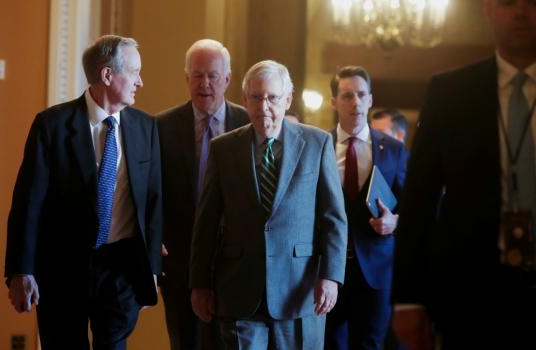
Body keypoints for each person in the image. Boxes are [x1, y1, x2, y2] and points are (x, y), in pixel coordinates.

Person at [392, 1, 536, 349]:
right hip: (471, 290)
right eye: (507, 2)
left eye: (530, 2)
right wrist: (409, 299)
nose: (520, 12)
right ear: (488, 8)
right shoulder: (450, 92)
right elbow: (418, 201)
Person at [4, 35, 163, 350]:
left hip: (121, 270)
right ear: (107, 75)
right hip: (63, 269)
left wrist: (152, 271)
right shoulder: (52, 125)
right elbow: (27, 203)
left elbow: (154, 203)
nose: (140, 82)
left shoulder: (146, 128)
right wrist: (21, 269)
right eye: (134, 72)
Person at [189, 60, 348, 349]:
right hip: (239, 290)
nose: (264, 107)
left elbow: (333, 218)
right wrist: (199, 283)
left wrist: (331, 276)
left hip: (299, 291)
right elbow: (206, 222)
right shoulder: (223, 149)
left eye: (273, 98)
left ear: (287, 100)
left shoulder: (317, 144)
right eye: (256, 97)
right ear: (244, 100)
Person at [156, 39, 249, 350]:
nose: (204, 84)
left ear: (227, 79)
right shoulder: (161, 127)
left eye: (212, 75)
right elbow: (151, 194)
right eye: (197, 75)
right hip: (180, 264)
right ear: (186, 79)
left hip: (236, 264)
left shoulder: (249, 124)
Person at [324, 66, 408, 350]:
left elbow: (413, 207)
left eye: (361, 95)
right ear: (334, 102)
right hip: (327, 272)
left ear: (371, 99)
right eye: (347, 95)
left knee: (370, 345)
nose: (355, 102)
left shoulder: (393, 150)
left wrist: (394, 222)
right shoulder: (317, 146)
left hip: (375, 271)